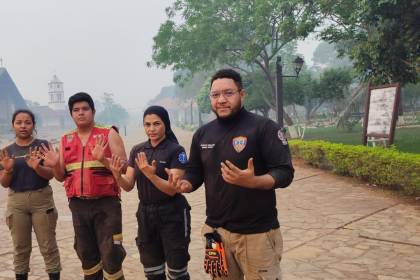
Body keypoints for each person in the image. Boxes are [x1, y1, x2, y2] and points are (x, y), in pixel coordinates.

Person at [171, 69, 294, 280]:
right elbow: (195, 172)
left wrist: (254, 181)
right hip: (216, 233)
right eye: (215, 95)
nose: (221, 100)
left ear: (242, 94)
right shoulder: (202, 134)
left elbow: (285, 172)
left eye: (228, 93)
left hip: (257, 234)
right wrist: (185, 185)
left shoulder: (264, 128)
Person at [40, 92, 127, 280]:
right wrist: (55, 164)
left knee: (111, 253)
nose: (81, 113)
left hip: (107, 205)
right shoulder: (65, 140)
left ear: (93, 111)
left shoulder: (109, 134)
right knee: (86, 253)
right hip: (78, 206)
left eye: (85, 109)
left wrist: (103, 158)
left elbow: (124, 168)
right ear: (71, 114)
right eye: (76, 110)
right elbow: (61, 177)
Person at [109, 105, 191, 280]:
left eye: (156, 124)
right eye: (147, 124)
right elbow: (129, 184)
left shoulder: (176, 151)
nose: (151, 129)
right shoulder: (138, 150)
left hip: (172, 213)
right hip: (146, 213)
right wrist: (117, 175)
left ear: (166, 125)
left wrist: (150, 175)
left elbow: (171, 190)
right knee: (152, 270)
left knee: (177, 269)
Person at [0, 109, 61, 280]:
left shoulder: (42, 146)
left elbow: (51, 175)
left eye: (27, 122)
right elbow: (4, 183)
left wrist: (37, 167)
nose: (23, 126)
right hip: (17, 202)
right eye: (19, 122)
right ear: (13, 125)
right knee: (20, 248)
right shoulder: (6, 151)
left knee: (48, 246)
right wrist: (8, 169)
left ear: (33, 125)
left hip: (41, 199)